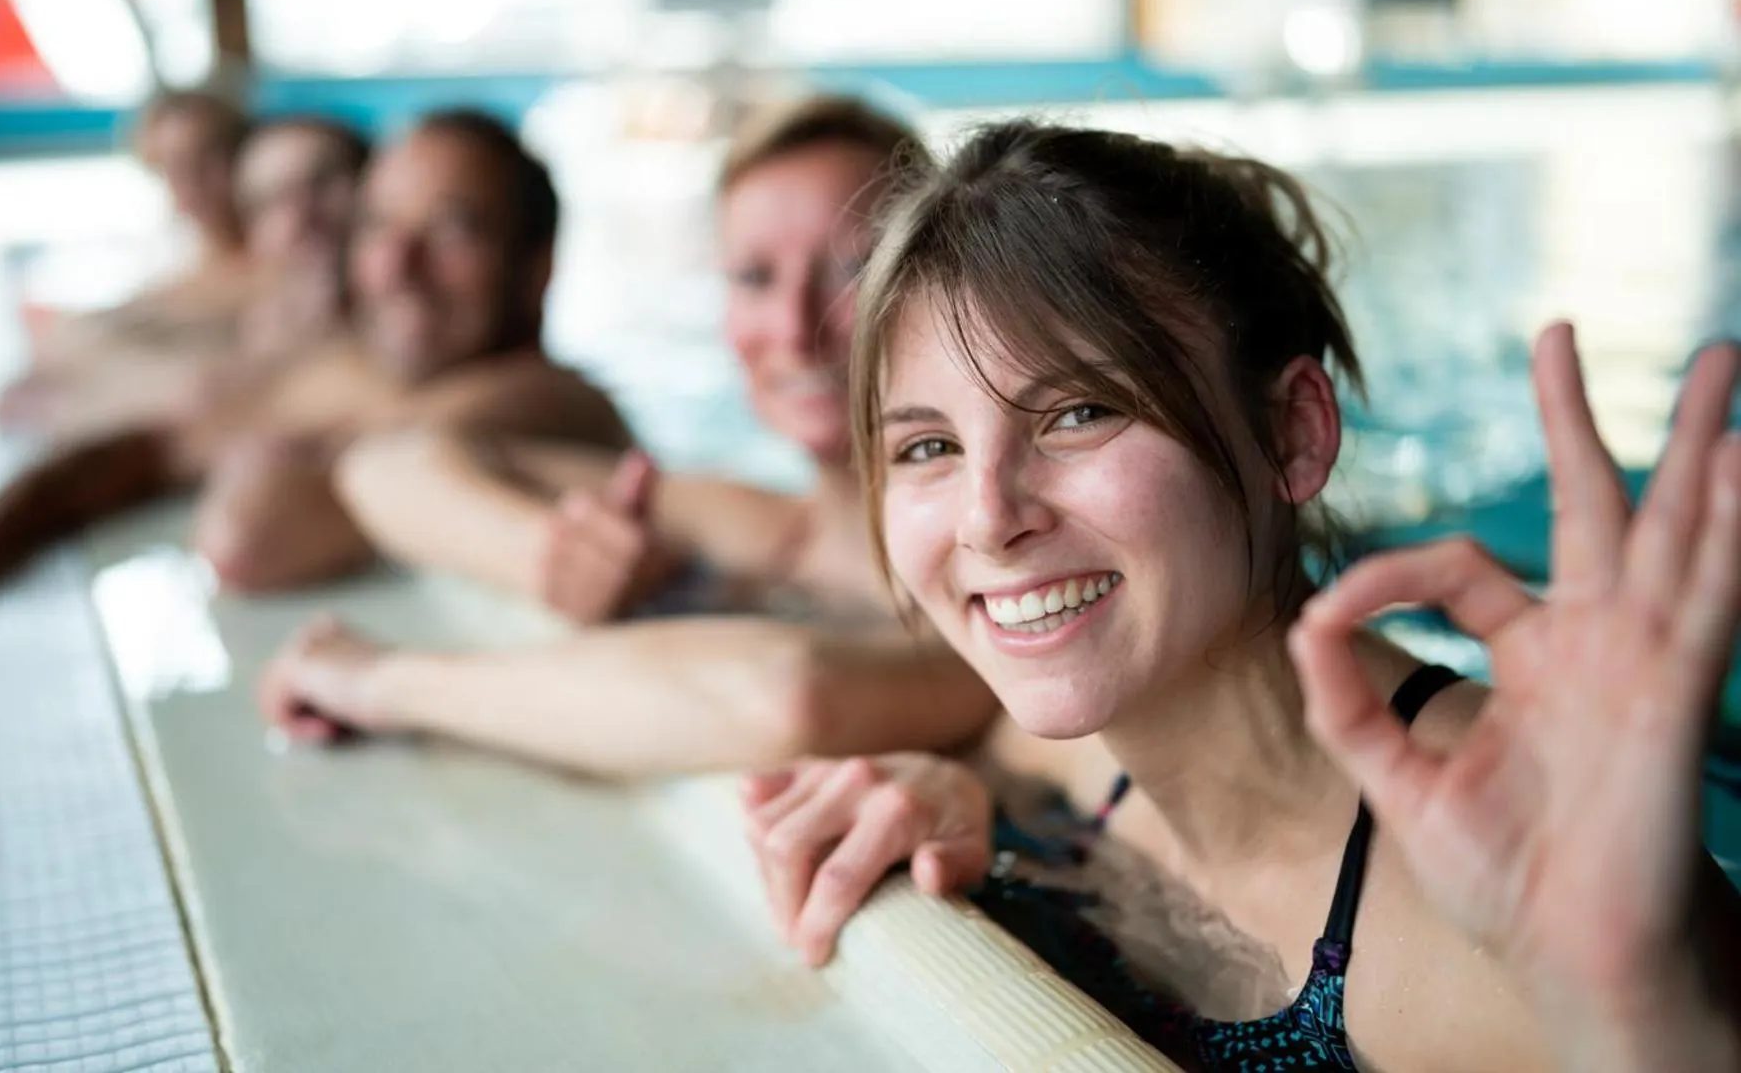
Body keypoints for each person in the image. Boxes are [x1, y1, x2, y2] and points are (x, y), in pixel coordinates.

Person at [739, 122, 1741, 1071]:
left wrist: (1634, 1004)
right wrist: (953, 793)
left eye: (1080, 412)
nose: (986, 519)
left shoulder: (1511, 857)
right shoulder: (1061, 762)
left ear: (1292, 434)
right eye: (928, 446)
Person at [254, 96, 1000, 775]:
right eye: (753, 277)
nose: (793, 328)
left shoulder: (993, 560)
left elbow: (789, 698)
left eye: (854, 269)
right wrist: (538, 550)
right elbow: (386, 468)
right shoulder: (773, 531)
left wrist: (385, 683)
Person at [0, 108, 630, 616]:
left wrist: (269, 446)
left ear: (538, 268)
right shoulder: (350, 370)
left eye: (452, 232)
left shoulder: (554, 402)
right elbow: (150, 448)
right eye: (382, 227)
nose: (397, 268)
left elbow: (249, 534)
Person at [0, 114, 373, 442]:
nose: (299, 217)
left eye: (321, 183)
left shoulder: (379, 323)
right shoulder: (271, 308)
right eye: (270, 201)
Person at [25, 90, 255, 368]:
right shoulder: (168, 274)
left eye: (207, 159)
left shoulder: (293, 257)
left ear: (247, 154)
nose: (194, 185)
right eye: (174, 169)